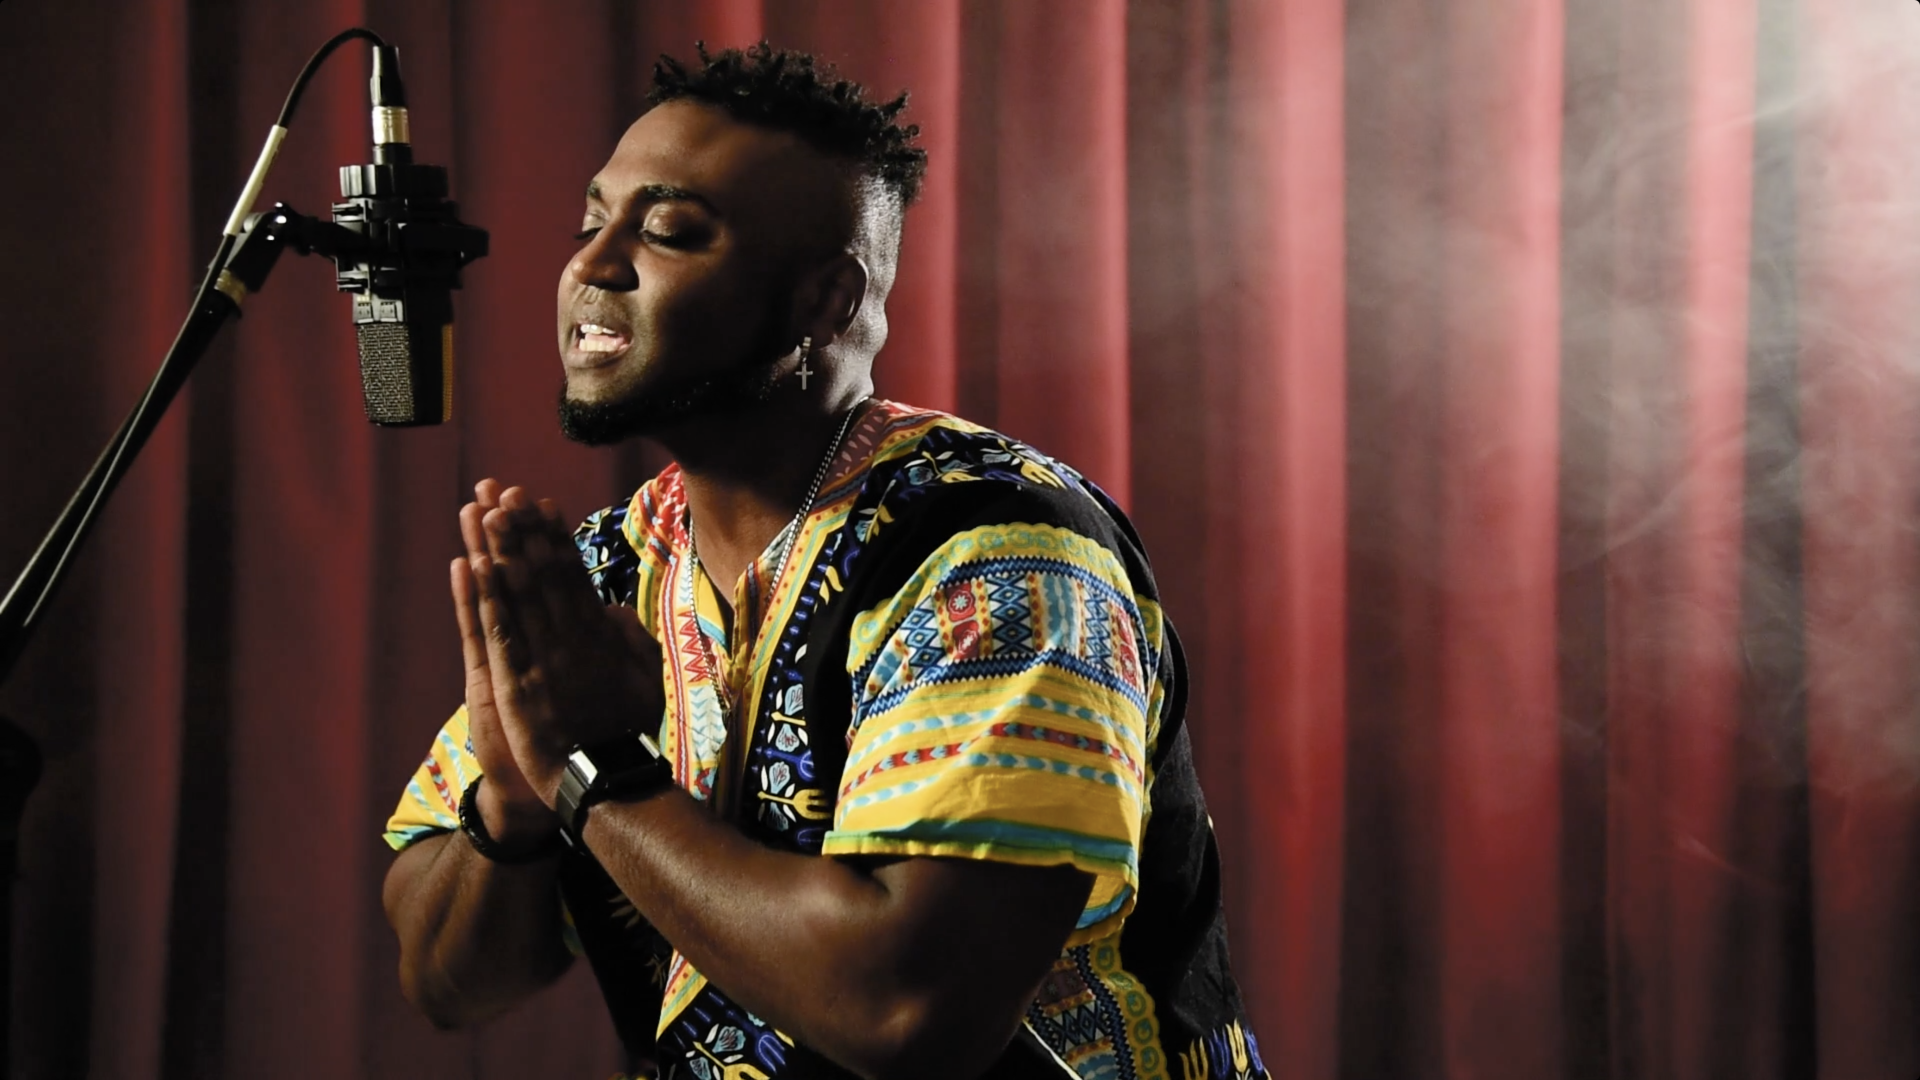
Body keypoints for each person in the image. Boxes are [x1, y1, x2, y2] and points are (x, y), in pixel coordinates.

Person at [380, 43, 1270, 1080]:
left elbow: (905, 1013)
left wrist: (593, 772)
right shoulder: (613, 566)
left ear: (825, 302)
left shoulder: (1002, 560)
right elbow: (448, 979)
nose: (594, 262)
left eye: (666, 230)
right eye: (592, 221)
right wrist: (516, 800)